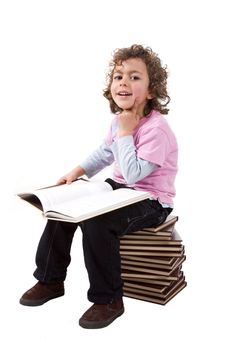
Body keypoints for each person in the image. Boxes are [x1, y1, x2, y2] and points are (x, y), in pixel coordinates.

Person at [19, 44, 178, 329]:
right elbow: (105, 153)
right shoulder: (119, 121)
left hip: (150, 199)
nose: (124, 83)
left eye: (135, 77)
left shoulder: (157, 129)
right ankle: (49, 280)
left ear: (152, 90)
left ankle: (108, 299)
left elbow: (133, 175)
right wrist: (77, 172)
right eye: (118, 77)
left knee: (97, 223)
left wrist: (127, 133)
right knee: (62, 210)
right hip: (116, 188)